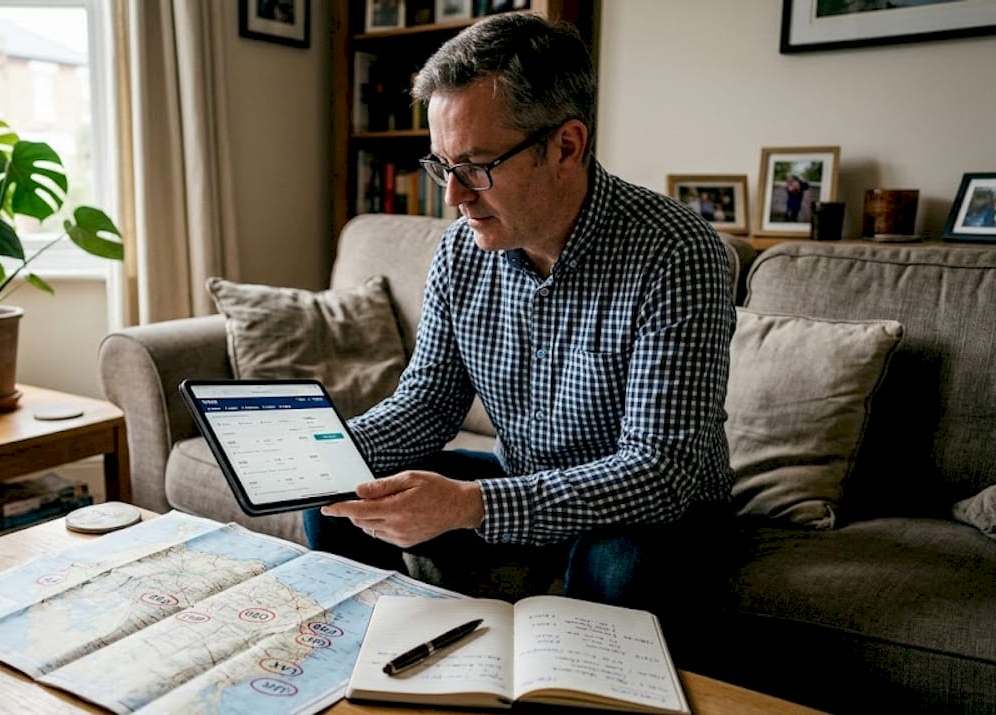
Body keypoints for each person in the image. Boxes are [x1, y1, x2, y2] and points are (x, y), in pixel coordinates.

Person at [304, 13, 736, 637]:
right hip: (522, 480)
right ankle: (377, 664)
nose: (453, 196)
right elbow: (427, 402)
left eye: (477, 166)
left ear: (566, 145)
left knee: (619, 564)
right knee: (342, 505)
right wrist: (322, 454)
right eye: (442, 165)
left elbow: (658, 470)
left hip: (653, 510)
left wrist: (472, 505)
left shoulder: (676, 251)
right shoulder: (461, 251)